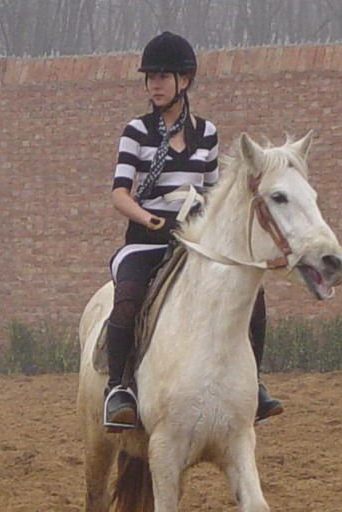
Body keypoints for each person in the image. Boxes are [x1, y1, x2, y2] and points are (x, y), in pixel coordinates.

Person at [104, 31, 283, 430]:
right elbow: (120, 194)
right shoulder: (136, 131)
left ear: (184, 81)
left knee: (251, 293)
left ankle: (253, 384)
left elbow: (214, 192)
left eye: (163, 76)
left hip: (192, 241)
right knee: (128, 300)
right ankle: (118, 388)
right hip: (146, 240)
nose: (154, 84)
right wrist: (149, 219)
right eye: (149, 77)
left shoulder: (208, 134)